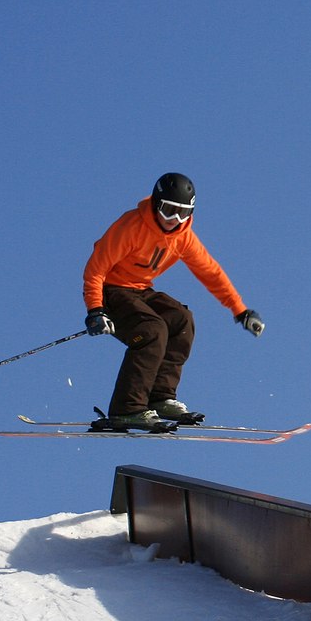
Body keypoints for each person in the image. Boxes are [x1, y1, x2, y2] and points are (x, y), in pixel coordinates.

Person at [83, 173, 264, 430]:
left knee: (181, 320)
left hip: (139, 290)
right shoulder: (131, 227)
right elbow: (96, 270)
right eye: (168, 211)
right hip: (111, 290)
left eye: (182, 213)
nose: (174, 220)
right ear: (157, 204)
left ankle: (159, 397)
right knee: (152, 330)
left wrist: (241, 310)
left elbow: (210, 272)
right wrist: (95, 310)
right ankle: (127, 409)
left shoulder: (183, 237)